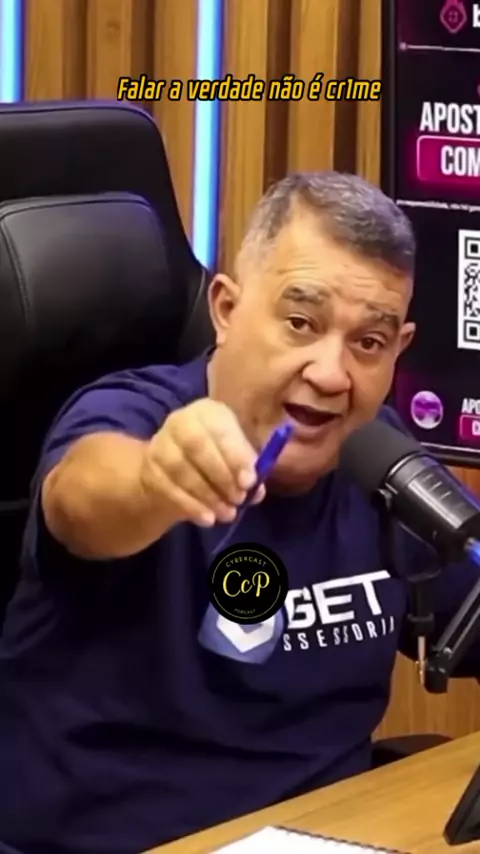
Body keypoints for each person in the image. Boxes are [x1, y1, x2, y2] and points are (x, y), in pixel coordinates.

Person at [0, 172, 478, 854]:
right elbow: (81, 500)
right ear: (226, 310)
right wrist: (155, 480)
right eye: (301, 323)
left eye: (368, 343)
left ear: (399, 349)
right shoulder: (130, 414)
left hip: (333, 834)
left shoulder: (379, 459)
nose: (331, 373)